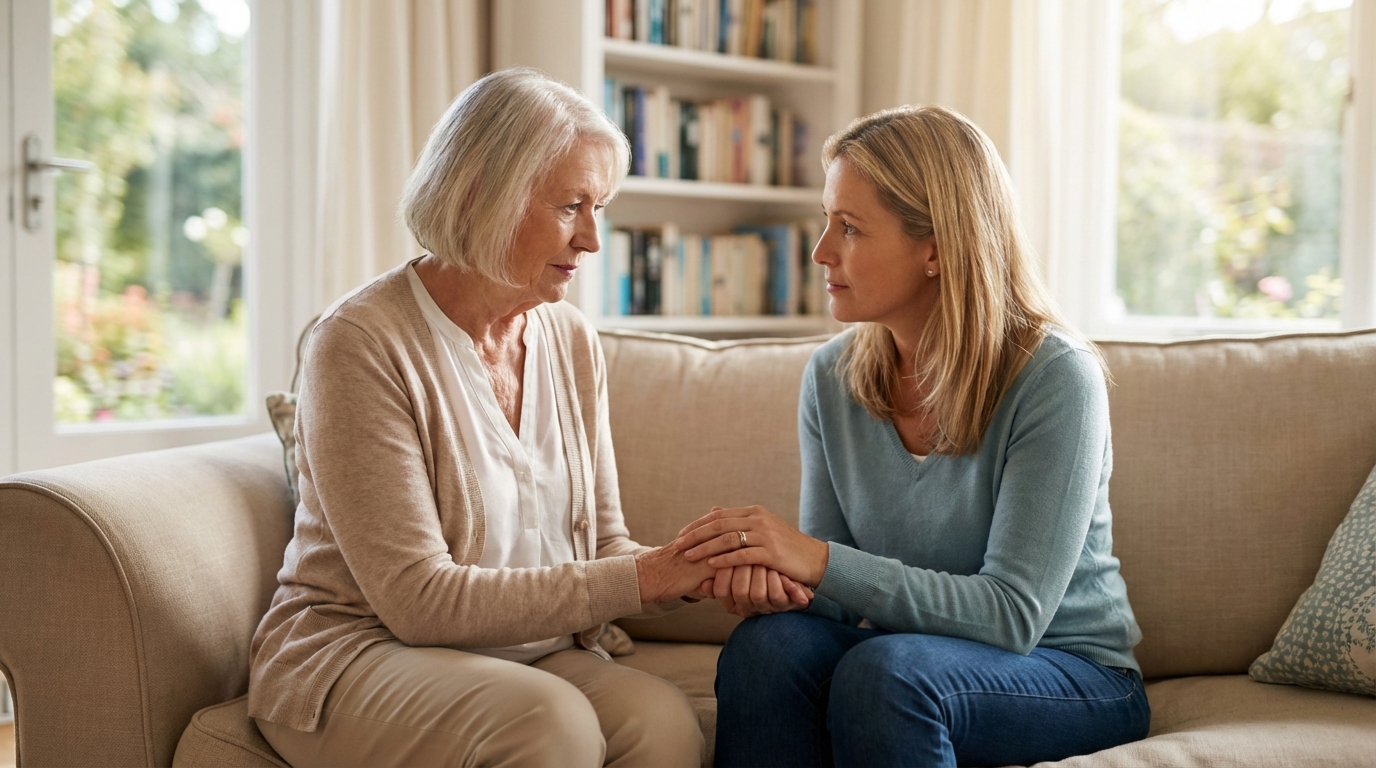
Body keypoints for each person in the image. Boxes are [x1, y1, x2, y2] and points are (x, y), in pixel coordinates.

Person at [247, 67, 808, 768]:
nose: (593, 240)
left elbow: (604, 547)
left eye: (599, 207)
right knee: (550, 723)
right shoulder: (359, 343)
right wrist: (649, 576)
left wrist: (699, 571)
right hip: (360, 654)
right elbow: (419, 601)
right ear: (482, 194)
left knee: (661, 721)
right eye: (572, 205)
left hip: (533, 659)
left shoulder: (569, 339)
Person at [675, 105, 1150, 768]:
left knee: (888, 673)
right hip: (913, 657)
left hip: (1069, 672)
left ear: (936, 248)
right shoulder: (832, 376)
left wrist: (816, 561)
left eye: (850, 228)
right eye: (826, 221)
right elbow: (838, 597)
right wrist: (778, 584)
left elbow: (1013, 616)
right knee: (769, 647)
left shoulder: (1055, 378)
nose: (821, 253)